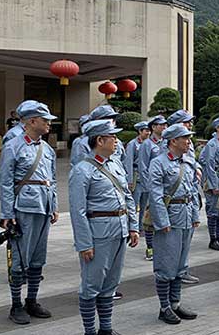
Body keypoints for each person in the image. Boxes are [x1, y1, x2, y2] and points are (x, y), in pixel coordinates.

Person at [69, 119, 139, 335]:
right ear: (100, 140)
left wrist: (133, 226)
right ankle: (89, 330)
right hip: (98, 233)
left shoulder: (115, 164)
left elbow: (127, 196)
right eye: (113, 137)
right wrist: (84, 243)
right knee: (91, 285)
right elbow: (78, 211)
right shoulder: (82, 170)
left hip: (119, 229)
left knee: (111, 283)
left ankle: (106, 328)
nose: (117, 141)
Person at [0, 101, 59, 325]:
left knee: (38, 257)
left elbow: (52, 179)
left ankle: (31, 300)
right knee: (19, 258)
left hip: (43, 207)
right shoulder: (13, 146)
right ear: (32, 121)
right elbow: (6, 182)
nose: (49, 124)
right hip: (23, 208)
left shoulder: (47, 149)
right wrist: (7, 213)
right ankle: (16, 304)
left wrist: (53, 206)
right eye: (45, 120)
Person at [147, 123, 200, 325]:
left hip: (185, 216)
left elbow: (192, 190)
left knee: (180, 265)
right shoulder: (158, 163)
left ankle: (175, 303)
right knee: (166, 264)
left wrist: (195, 215)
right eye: (185, 138)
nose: (189, 142)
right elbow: (155, 195)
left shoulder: (188, 161)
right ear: (173, 141)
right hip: (170, 218)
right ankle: (164, 307)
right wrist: (162, 221)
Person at [198, 116, 219, 251]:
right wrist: (213, 185)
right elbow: (209, 165)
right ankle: (213, 239)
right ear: (217, 128)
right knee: (213, 211)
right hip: (215, 180)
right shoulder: (212, 144)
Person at [138, 115, 168, 261]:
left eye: (165, 125)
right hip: (152, 186)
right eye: (161, 125)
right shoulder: (147, 144)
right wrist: (149, 187)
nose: (164, 127)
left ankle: (161, 246)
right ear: (154, 127)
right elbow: (143, 167)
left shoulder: (166, 142)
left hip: (165, 186)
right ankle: (150, 247)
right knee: (150, 217)